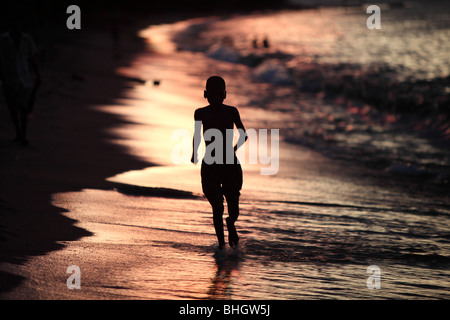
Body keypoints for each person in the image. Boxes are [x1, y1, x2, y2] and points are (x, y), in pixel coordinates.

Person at [191, 76, 247, 251]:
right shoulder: (200, 113)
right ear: (205, 94)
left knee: (233, 206)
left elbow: (244, 133)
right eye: (212, 95)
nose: (215, 98)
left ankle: (231, 223)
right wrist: (194, 152)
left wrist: (234, 149)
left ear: (225, 95)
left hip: (230, 164)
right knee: (216, 206)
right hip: (210, 164)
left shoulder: (232, 111)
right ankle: (222, 246)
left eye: (219, 95)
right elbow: (197, 135)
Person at [0, 20, 40, 146]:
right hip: (9, 78)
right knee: (12, 107)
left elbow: (31, 58)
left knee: (23, 106)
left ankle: (22, 134)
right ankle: (18, 131)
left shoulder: (27, 40)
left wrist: (38, 75)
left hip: (24, 78)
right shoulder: (2, 40)